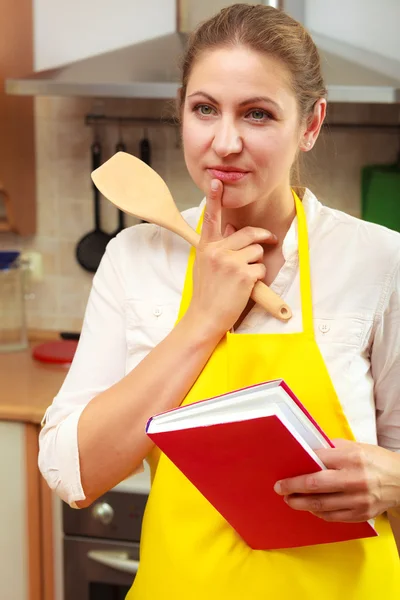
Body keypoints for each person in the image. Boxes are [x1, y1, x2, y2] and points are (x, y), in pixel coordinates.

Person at [39, 4, 400, 598]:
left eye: (257, 114)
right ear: (181, 112)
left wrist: (391, 481)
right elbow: (69, 472)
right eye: (204, 109)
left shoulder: (377, 261)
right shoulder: (135, 259)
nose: (224, 143)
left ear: (310, 125)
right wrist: (202, 322)